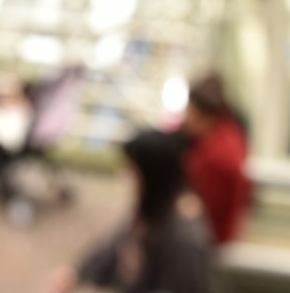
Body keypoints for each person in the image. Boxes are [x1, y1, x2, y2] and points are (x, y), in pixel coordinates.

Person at [51, 129, 212, 293]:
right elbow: (116, 242)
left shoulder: (184, 237)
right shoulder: (154, 208)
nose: (126, 173)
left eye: (133, 168)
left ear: (151, 173)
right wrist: (78, 272)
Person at [181, 74, 251, 245]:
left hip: (211, 236)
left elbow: (206, 209)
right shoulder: (226, 132)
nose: (185, 118)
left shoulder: (218, 153)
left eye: (189, 111)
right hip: (214, 229)